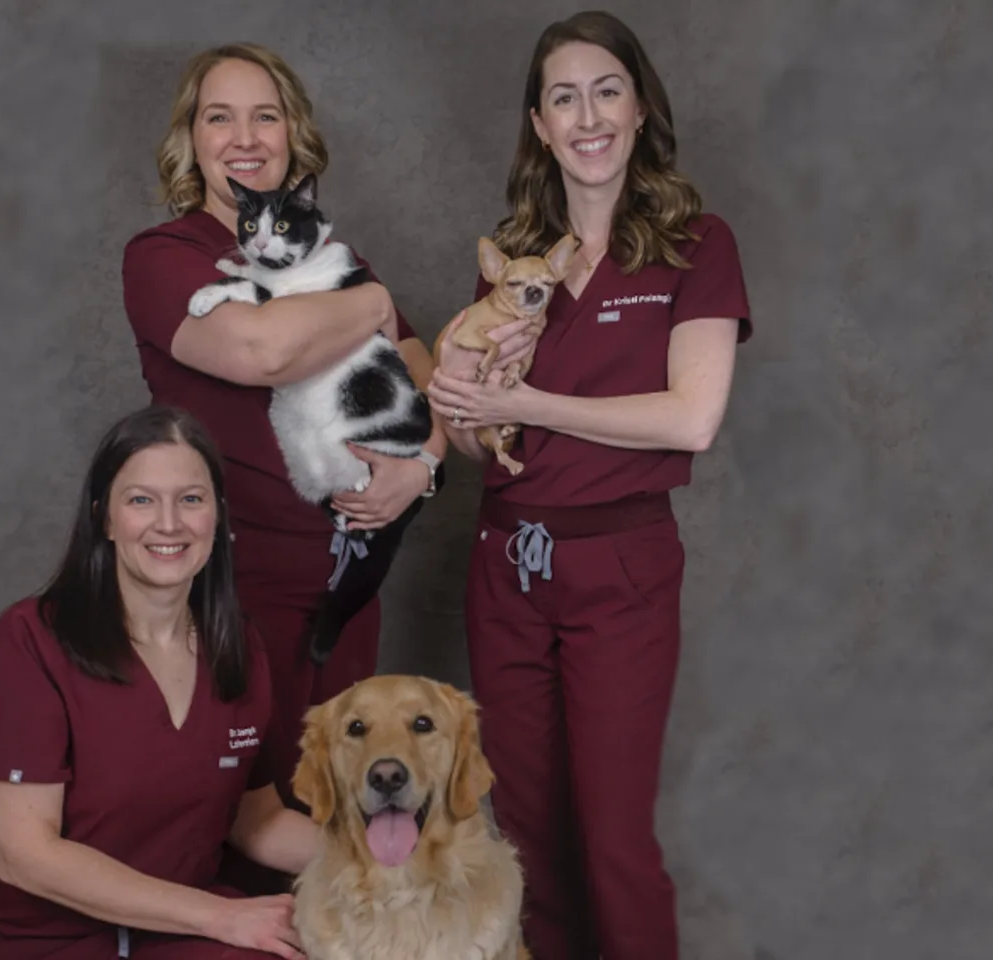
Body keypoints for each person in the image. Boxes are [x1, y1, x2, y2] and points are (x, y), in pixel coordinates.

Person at [119, 43, 535, 893]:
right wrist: (373, 305)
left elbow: (432, 386)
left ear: (293, 135)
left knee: (342, 813)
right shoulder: (165, 256)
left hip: (346, 588)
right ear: (190, 138)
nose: (245, 137)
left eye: (265, 115)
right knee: (227, 820)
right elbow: (261, 351)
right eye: (220, 117)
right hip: (227, 593)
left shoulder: (333, 262)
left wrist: (421, 468)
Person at [426, 11, 754, 960]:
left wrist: (529, 399)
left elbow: (691, 419)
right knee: (527, 842)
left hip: (621, 566)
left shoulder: (695, 244)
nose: (589, 116)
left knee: (613, 842)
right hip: (507, 565)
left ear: (641, 106)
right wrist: (457, 405)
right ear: (539, 125)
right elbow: (481, 439)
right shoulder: (514, 263)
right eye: (564, 99)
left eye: (607, 91)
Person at [0, 406, 319, 960]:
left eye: (191, 499)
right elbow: (25, 856)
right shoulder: (31, 640)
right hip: (39, 941)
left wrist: (394, 863)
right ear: (105, 519)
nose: (169, 523)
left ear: (218, 516)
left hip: (169, 936)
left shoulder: (237, 646)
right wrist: (221, 916)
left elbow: (256, 821)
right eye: (141, 500)